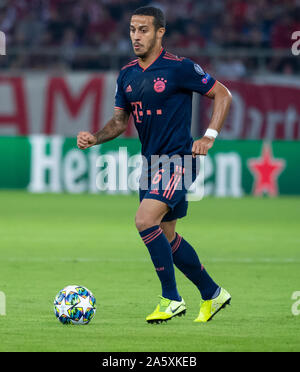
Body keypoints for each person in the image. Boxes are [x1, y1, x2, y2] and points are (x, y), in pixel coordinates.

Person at [77, 6, 232, 324]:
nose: (136, 35)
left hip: (178, 161)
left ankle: (171, 299)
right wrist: (95, 137)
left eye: (144, 29)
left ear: (160, 32)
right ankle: (213, 294)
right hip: (149, 164)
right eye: (133, 29)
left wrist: (209, 136)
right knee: (168, 236)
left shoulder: (180, 68)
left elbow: (223, 94)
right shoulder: (127, 75)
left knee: (144, 220)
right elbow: (120, 122)